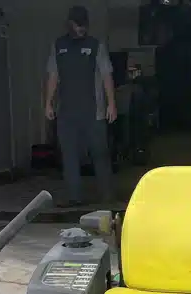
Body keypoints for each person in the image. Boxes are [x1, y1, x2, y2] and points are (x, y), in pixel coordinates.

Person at [45, 6, 118, 206]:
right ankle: (74, 196)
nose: (81, 29)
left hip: (93, 111)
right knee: (69, 155)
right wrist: (48, 103)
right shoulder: (58, 46)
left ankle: (107, 195)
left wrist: (111, 104)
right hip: (66, 111)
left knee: (100, 153)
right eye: (78, 25)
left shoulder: (95, 46)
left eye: (84, 25)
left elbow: (106, 75)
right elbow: (53, 75)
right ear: (69, 24)